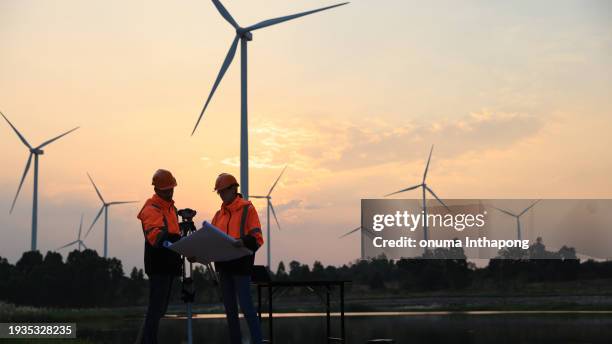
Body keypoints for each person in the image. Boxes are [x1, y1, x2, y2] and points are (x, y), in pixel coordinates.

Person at [212, 173, 264, 344]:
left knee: (247, 308)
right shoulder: (218, 215)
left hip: (241, 267)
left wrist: (242, 241)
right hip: (224, 269)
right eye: (219, 192)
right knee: (230, 312)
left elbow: (257, 238)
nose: (221, 195)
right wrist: (196, 253)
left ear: (234, 189)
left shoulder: (247, 209)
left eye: (223, 191)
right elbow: (209, 241)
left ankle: (257, 341)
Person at [135, 169, 183, 344]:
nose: (170, 192)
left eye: (171, 188)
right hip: (158, 265)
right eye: (166, 189)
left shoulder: (171, 208)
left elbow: (173, 234)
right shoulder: (151, 209)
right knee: (156, 310)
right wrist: (177, 241)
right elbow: (156, 238)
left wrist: (184, 242)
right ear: (157, 189)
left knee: (160, 309)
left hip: (170, 265)